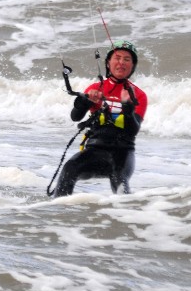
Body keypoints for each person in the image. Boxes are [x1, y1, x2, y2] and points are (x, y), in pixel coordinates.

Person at [50, 40, 149, 197]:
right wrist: (86, 101)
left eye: (127, 59)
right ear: (108, 63)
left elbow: (132, 130)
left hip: (122, 154)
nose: (121, 62)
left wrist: (127, 106)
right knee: (69, 168)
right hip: (95, 151)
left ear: (133, 66)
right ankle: (56, 213)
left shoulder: (139, 95)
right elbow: (75, 117)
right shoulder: (95, 88)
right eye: (117, 58)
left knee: (119, 181)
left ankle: (128, 218)